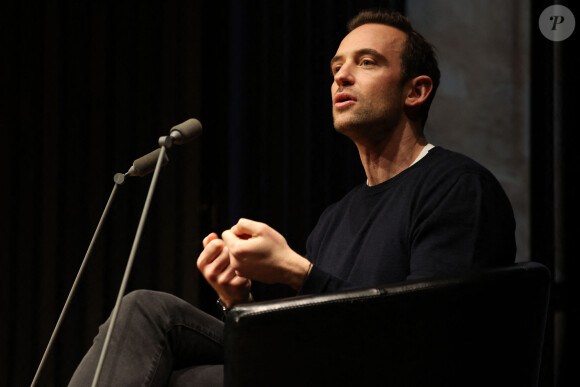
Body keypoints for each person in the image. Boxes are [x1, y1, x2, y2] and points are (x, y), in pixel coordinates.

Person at [69, 9, 515, 386]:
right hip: (318, 365)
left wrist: (298, 272)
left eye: (367, 62)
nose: (342, 74)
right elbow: (306, 336)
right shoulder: (335, 218)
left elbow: (430, 341)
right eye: (337, 66)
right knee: (148, 317)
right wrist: (238, 302)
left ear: (415, 91)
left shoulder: (457, 187)